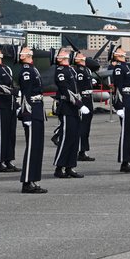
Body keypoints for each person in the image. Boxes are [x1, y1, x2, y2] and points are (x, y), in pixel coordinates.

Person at [53, 48, 87, 179]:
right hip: (67, 107)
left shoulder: (71, 70)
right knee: (66, 139)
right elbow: (65, 91)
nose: (66, 53)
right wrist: (80, 104)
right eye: (62, 52)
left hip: (74, 108)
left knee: (74, 138)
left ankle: (70, 166)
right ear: (58, 58)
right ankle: (59, 167)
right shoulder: (60, 71)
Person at [17, 47, 47, 193]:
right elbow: (25, 94)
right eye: (25, 49)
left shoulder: (33, 69)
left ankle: (33, 179)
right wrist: (26, 115)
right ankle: (27, 181)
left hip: (38, 109)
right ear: (23, 56)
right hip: (32, 110)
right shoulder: (26, 71)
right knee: (31, 148)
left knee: (37, 147)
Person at [111, 45, 130, 173]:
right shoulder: (118, 68)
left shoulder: (128, 66)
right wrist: (118, 106)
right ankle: (124, 161)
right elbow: (117, 88)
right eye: (119, 50)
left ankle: (129, 160)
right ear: (116, 54)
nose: (122, 50)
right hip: (125, 101)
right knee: (126, 133)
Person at [73, 51, 95, 162]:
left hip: (89, 99)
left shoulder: (86, 69)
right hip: (84, 99)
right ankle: (80, 150)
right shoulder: (79, 71)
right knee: (82, 127)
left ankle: (84, 150)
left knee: (86, 127)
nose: (82, 55)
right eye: (79, 55)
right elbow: (79, 87)